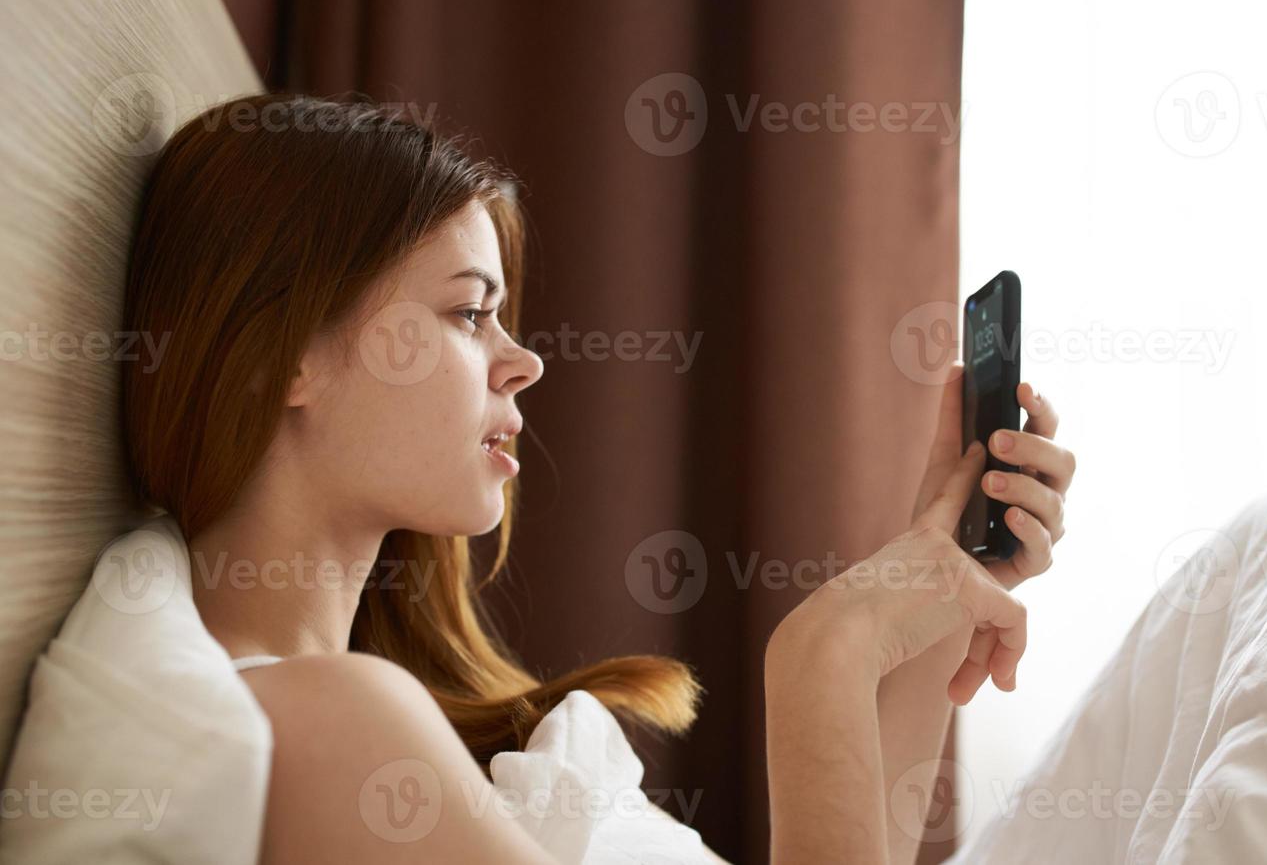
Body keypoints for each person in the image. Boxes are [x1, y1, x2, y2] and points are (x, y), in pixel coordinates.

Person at [120, 93, 1077, 864]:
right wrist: (822, 660)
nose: (523, 360)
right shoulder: (324, 728)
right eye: (467, 314)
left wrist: (939, 568)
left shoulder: (376, 719)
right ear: (280, 357)